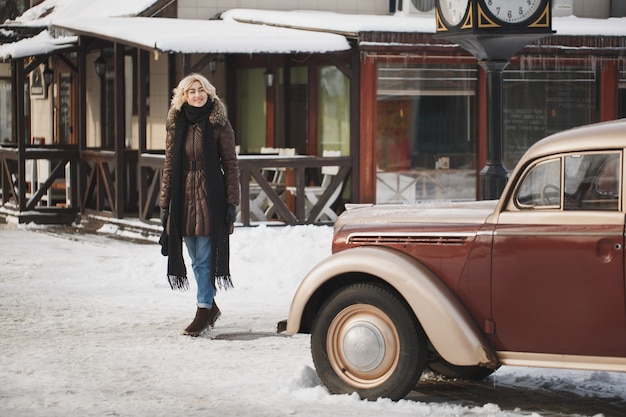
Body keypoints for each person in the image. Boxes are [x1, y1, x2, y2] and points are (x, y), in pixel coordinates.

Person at [159, 73, 240, 337]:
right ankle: (212, 305)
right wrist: (164, 204)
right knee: (194, 258)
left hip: (210, 195)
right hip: (183, 196)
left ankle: (203, 309)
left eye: (201, 90)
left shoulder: (219, 123)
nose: (197, 94)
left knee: (204, 257)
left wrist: (231, 203)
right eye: (191, 91)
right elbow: (169, 166)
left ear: (209, 93)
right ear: (183, 96)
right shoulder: (176, 124)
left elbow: (230, 165)